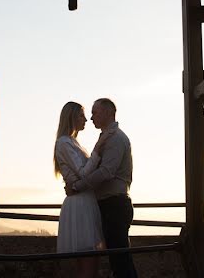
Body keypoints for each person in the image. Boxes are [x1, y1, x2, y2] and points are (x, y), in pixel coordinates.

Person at [67, 98, 137, 278]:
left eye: (95, 113)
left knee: (121, 263)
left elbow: (106, 172)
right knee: (118, 261)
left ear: (107, 112)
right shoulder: (108, 137)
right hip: (110, 204)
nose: (91, 118)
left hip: (114, 205)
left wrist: (77, 186)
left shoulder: (115, 139)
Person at [54, 101, 112, 278]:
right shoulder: (64, 143)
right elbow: (82, 173)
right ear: (71, 117)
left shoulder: (73, 143)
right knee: (87, 261)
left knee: (90, 262)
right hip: (80, 205)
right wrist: (97, 151)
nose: (86, 119)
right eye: (81, 115)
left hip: (85, 201)